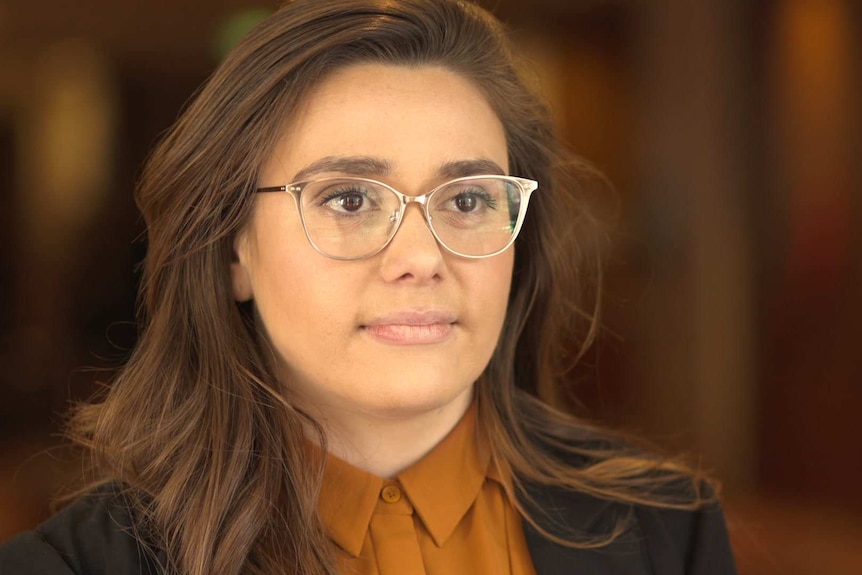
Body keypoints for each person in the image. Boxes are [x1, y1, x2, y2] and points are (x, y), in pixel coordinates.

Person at [0, 0, 737, 574]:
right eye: (350, 199)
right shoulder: (76, 563)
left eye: (469, 199)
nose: (420, 258)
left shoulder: (666, 530)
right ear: (232, 250)